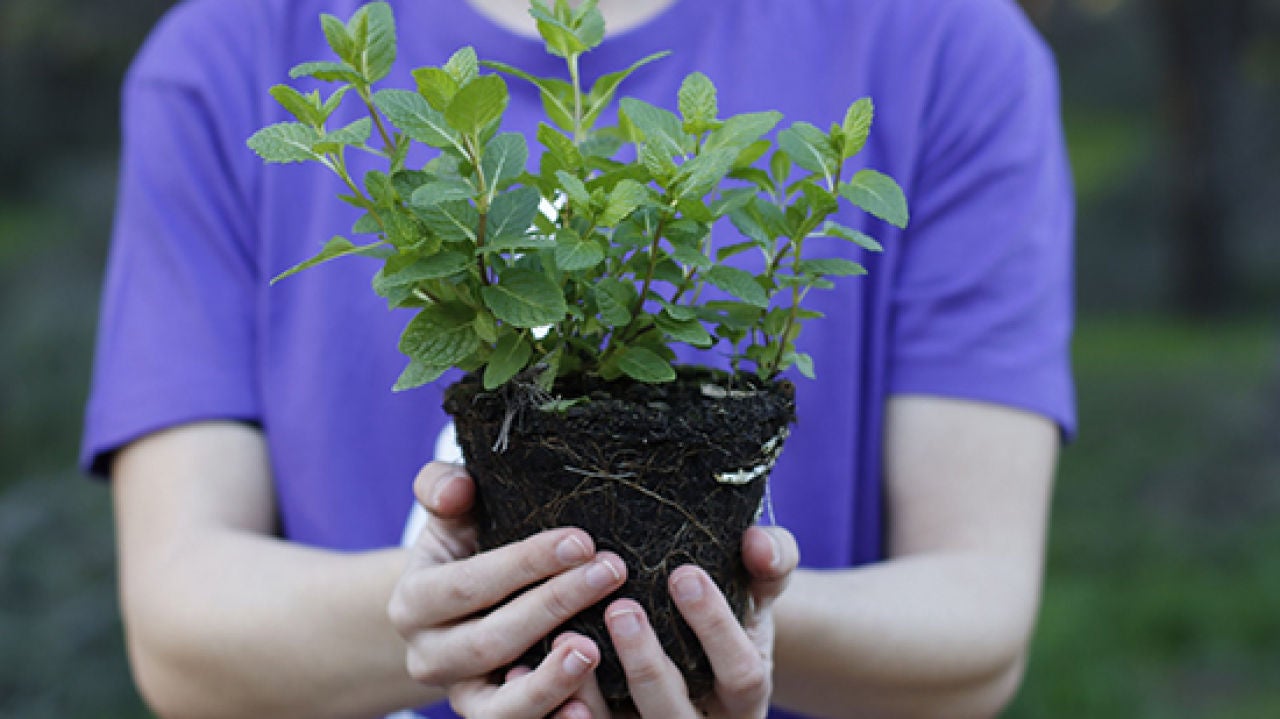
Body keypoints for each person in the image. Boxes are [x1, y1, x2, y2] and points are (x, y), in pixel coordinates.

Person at [82, 0, 1075, 716]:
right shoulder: (224, 51)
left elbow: (976, 626)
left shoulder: (945, 42)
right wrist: (456, 614)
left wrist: (713, 613)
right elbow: (181, 633)